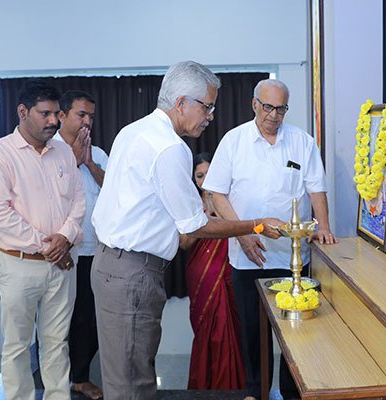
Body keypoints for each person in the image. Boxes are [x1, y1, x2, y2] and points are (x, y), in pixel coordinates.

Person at [90, 61, 285, 400]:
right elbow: (195, 225)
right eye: (207, 106)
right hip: (133, 272)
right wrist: (256, 224)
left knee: (124, 375)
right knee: (132, 384)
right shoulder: (170, 148)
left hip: (111, 264)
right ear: (181, 103)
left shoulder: (133, 130)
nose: (210, 116)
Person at [202, 78, 337, 400]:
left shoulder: (302, 142)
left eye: (281, 109)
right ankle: (256, 391)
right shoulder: (233, 141)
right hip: (247, 256)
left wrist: (324, 226)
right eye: (267, 107)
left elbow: (316, 189)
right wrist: (243, 233)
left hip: (293, 259)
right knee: (253, 330)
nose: (274, 115)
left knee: (296, 331)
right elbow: (217, 193)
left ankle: (292, 392)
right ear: (254, 105)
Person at [0, 79, 85, 400]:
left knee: (57, 343)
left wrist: (65, 237)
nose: (54, 121)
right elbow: (0, 214)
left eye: (56, 114)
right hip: (19, 264)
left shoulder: (63, 152)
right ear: (23, 112)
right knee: (17, 345)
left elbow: (78, 201)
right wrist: (50, 246)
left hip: (61, 265)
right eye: (45, 114)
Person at [56, 90, 108, 399]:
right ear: (62, 116)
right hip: (62, 251)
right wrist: (73, 161)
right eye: (81, 115)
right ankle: (56, 380)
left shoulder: (98, 153)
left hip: (95, 250)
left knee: (90, 319)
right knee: (59, 320)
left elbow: (114, 189)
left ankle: (80, 377)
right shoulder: (48, 151)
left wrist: (88, 162)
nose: (87, 121)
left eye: (91, 116)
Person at [180, 153, 245, 390]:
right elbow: (183, 244)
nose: (205, 180)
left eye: (209, 174)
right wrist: (202, 220)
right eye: (200, 176)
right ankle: (205, 383)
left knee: (229, 326)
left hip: (228, 269)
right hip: (201, 272)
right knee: (206, 327)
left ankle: (233, 384)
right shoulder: (189, 203)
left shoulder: (229, 201)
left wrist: (220, 215)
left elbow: (243, 230)